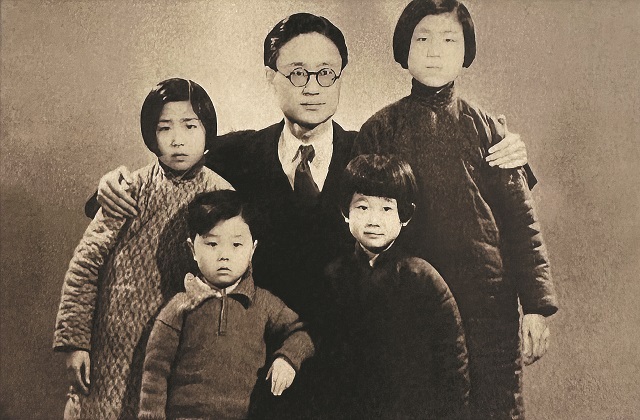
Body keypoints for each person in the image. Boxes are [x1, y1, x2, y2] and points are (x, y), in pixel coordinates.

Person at [85, 11, 531, 416]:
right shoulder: (236, 154)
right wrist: (110, 187)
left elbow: (453, 194)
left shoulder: (371, 154)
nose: (312, 87)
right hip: (256, 378)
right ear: (271, 76)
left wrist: (511, 157)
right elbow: (164, 179)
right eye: (297, 73)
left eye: (325, 73)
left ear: (340, 77)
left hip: (354, 377)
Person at [353, 1, 558, 418]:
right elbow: (360, 223)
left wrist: (537, 307)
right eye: (422, 39)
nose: (434, 51)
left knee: (492, 404)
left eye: (449, 40)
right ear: (403, 49)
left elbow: (522, 224)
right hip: (409, 304)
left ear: (466, 52)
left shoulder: (490, 130)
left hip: (488, 304)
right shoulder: (379, 130)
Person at [52, 78, 233, 419]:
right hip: (112, 345)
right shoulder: (127, 189)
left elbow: (236, 275)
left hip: (181, 349)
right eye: (165, 128)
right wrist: (75, 342)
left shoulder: (222, 195)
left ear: (207, 130)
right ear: (151, 135)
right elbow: (86, 263)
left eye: (190, 126)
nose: (178, 139)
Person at [138, 190, 314, 419]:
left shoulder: (263, 303)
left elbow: (301, 334)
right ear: (192, 249)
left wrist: (287, 359)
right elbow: (155, 371)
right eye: (212, 244)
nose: (224, 255)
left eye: (236, 244)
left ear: (252, 250)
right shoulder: (179, 307)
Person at [320, 154, 469, 419]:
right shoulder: (334, 277)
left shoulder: (422, 277)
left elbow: (453, 359)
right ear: (345, 212)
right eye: (362, 207)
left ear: (405, 215)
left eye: (386, 209)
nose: (373, 220)